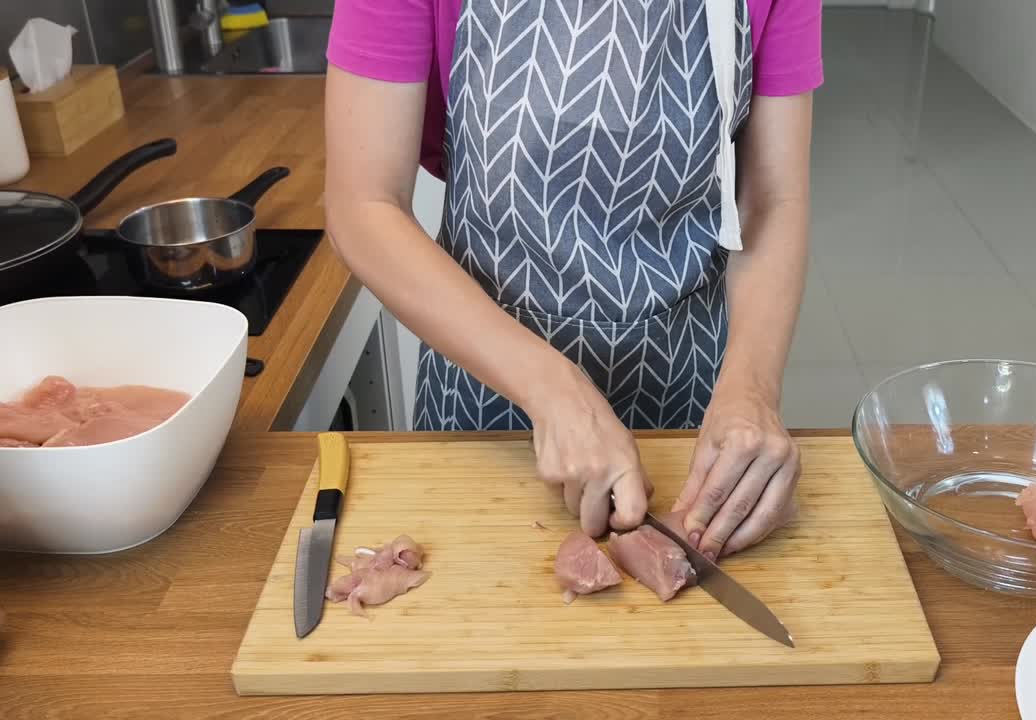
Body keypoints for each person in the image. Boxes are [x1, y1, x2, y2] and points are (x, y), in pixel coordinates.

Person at [324, 0, 822, 560]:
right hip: (487, 392)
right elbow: (362, 205)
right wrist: (553, 392)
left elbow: (773, 199)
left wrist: (752, 390)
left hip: (690, 394)